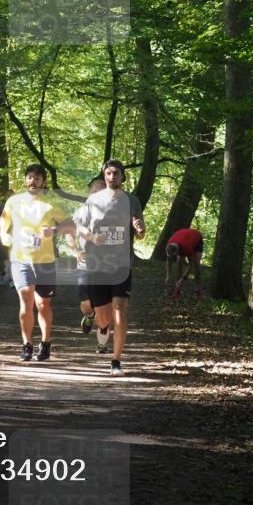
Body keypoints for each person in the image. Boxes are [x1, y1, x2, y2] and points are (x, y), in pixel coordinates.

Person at [72, 159, 145, 376]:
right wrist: (93, 237)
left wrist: (140, 230)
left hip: (121, 265)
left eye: (116, 173)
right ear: (104, 176)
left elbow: (140, 232)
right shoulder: (93, 200)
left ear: (123, 177)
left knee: (120, 310)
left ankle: (116, 361)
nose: (112, 177)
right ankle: (101, 326)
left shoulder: (132, 200)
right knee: (105, 318)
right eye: (109, 173)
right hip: (97, 264)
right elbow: (78, 225)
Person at [0, 164, 71, 362]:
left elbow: (70, 225)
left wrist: (54, 232)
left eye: (37, 178)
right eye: (30, 177)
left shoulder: (51, 204)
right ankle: (27, 345)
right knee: (26, 300)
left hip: (45, 261)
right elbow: (3, 223)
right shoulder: (14, 202)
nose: (33, 181)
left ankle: (46, 343)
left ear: (43, 182)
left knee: (43, 303)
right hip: (20, 259)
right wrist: (4, 235)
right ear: (25, 180)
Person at [68, 176, 111, 353]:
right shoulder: (81, 211)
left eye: (101, 190)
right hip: (86, 265)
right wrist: (76, 250)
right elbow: (69, 233)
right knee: (86, 304)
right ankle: (89, 315)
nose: (97, 193)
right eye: (94, 190)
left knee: (105, 307)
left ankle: (102, 344)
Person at [165, 228, 204, 300]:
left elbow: (191, 264)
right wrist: (168, 276)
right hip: (183, 235)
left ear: (178, 251)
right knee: (179, 261)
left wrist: (183, 278)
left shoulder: (187, 247)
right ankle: (177, 289)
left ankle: (199, 291)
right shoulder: (169, 245)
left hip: (196, 237)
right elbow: (169, 260)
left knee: (196, 264)